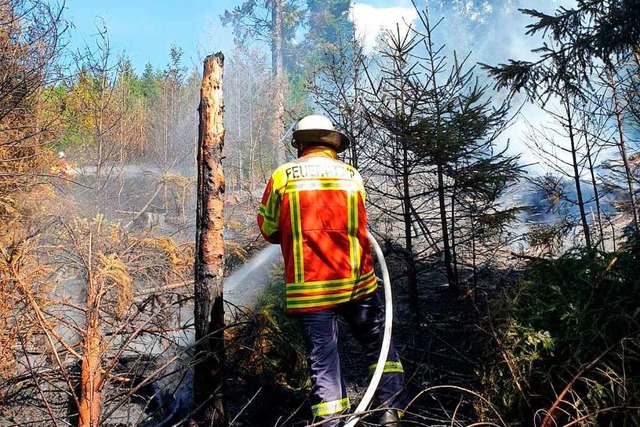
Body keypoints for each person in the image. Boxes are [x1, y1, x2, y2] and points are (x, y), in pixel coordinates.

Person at [257, 115, 407, 426]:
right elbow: (358, 223)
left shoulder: (283, 176)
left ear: (300, 143)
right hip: (356, 283)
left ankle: (332, 421)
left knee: (323, 362)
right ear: (332, 145)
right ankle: (391, 409)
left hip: (310, 289)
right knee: (378, 345)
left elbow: (269, 229)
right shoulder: (352, 175)